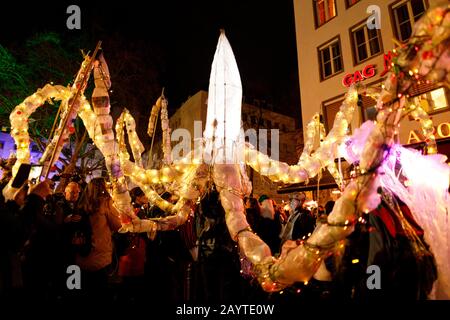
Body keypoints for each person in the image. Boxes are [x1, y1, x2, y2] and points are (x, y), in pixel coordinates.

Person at [75, 177, 122, 300]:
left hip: (82, 253)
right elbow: (117, 226)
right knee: (99, 293)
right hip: (99, 255)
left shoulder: (81, 203)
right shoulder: (105, 202)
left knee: (83, 290)